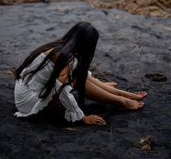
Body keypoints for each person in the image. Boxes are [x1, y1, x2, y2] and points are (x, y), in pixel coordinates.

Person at [13, 22, 147, 126]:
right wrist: (81, 117)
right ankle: (122, 101)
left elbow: (77, 73)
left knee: (80, 76)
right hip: (28, 101)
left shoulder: (60, 47)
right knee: (78, 80)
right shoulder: (67, 57)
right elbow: (62, 90)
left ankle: (124, 94)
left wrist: (97, 85)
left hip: (25, 89)